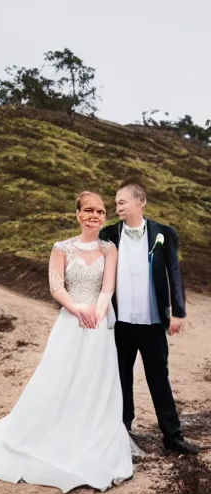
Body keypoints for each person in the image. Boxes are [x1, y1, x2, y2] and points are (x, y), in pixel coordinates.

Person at [0, 191, 133, 493]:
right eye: (88, 210)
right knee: (59, 376)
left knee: (96, 379)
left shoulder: (109, 249)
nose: (94, 216)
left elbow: (108, 287)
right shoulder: (61, 248)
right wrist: (78, 310)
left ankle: (91, 432)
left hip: (100, 322)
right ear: (77, 214)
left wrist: (96, 313)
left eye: (100, 212)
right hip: (71, 321)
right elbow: (56, 287)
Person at [99, 181, 199, 455]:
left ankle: (173, 437)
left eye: (122, 202)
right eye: (116, 202)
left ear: (140, 201)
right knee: (120, 378)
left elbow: (174, 275)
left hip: (153, 322)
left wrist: (177, 312)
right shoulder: (108, 234)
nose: (117, 206)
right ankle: (123, 431)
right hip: (119, 324)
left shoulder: (163, 234)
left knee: (159, 378)